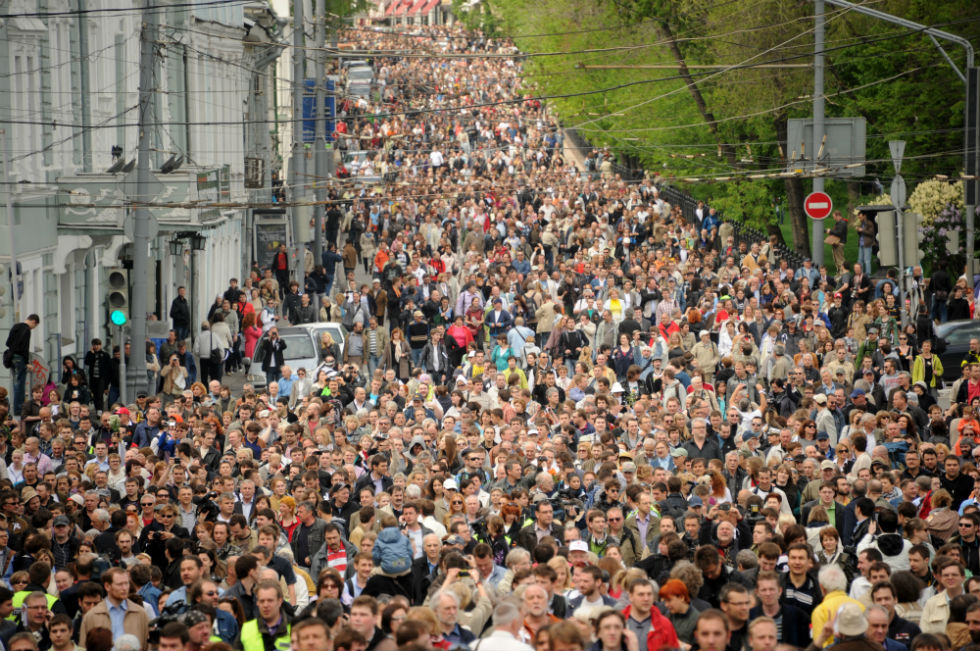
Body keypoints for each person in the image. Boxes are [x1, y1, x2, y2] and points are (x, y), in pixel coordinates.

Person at [5, 314, 40, 416]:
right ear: (34, 322)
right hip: (20, 358)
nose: (33, 328)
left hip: (11, 357)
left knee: (15, 382)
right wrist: (27, 362)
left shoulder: (16, 326)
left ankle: (15, 408)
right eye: (35, 326)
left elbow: (8, 343)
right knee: (20, 384)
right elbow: (25, 347)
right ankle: (19, 409)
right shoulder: (26, 330)